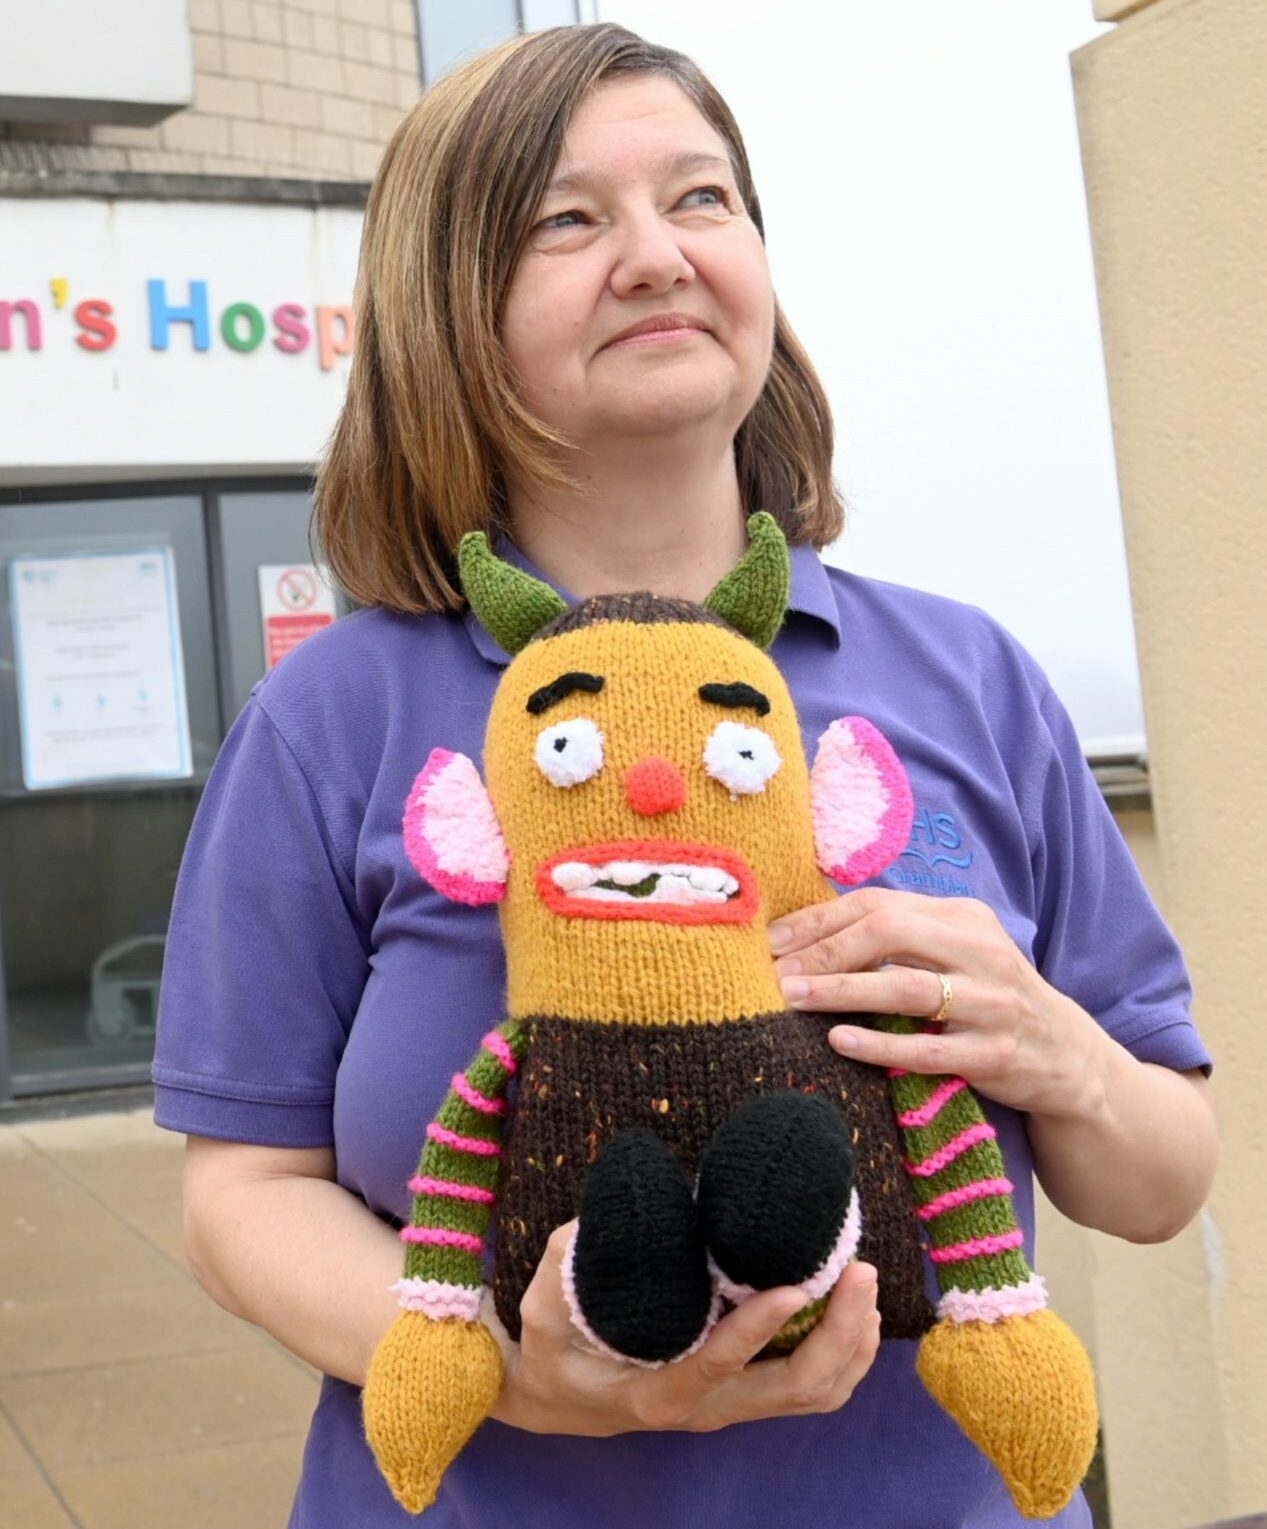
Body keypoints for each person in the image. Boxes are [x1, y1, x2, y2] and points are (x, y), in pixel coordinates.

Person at [157, 25, 1215, 1528]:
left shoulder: (966, 679)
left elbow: (1160, 1174)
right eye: (564, 220)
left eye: (700, 199)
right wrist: (519, 1378)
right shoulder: (328, 719)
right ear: (442, 314)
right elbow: (239, 1199)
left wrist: (1057, 1050)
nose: (654, 255)